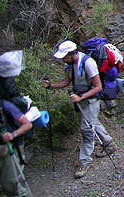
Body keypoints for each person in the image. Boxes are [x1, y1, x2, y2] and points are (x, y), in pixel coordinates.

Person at [43, 40, 117, 179]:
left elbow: (98, 87)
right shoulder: (70, 65)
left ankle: (84, 162)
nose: (63, 60)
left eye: (65, 57)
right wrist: (51, 86)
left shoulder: (88, 63)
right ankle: (109, 143)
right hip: (81, 99)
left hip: (91, 100)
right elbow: (66, 82)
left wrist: (80, 97)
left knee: (86, 129)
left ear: (73, 54)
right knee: (92, 122)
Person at [0, 97, 32, 197]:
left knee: (11, 185)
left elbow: (27, 124)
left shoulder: (3, 105)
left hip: (6, 150)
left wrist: (12, 135)